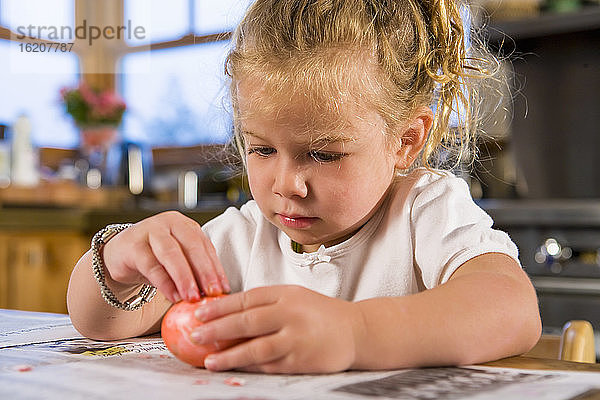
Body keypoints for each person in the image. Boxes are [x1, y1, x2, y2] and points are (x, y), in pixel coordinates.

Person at [67, 0, 541, 374]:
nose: (287, 185)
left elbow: (511, 309)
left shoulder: (424, 209)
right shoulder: (242, 236)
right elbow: (102, 325)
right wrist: (117, 258)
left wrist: (355, 333)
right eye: (261, 150)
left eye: (324, 154)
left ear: (404, 141)